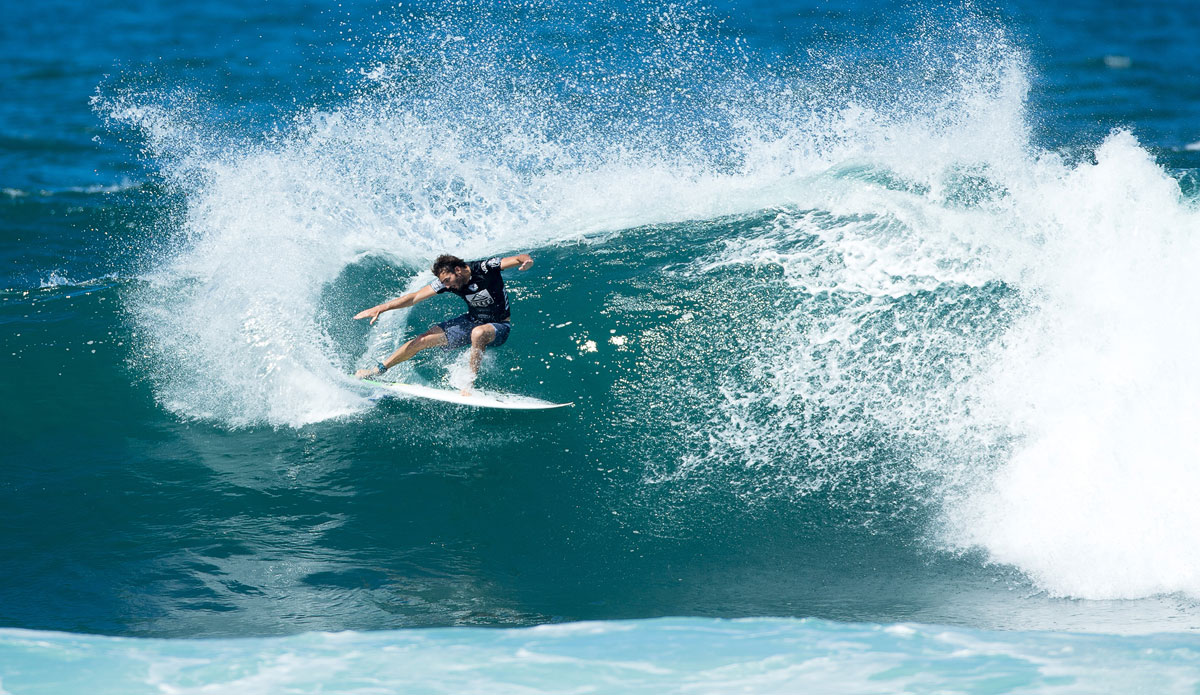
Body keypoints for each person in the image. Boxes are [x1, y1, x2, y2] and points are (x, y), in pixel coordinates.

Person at [353, 253, 534, 392]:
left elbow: (518, 259)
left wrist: (527, 261)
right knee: (422, 339)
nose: (446, 286)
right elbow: (414, 297)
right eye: (443, 282)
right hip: (472, 320)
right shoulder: (447, 283)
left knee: (478, 333)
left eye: (447, 280)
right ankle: (378, 370)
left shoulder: (485, 268)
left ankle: (467, 386)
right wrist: (381, 308)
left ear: (458, 270)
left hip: (499, 326)